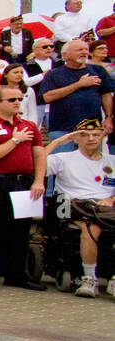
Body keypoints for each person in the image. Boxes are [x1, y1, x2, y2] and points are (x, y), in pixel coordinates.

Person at [0, 83, 46, 290]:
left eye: (20, 99)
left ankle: (16, 274)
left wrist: (38, 180)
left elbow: (39, 154)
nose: (17, 103)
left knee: (21, 231)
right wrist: (15, 139)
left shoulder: (29, 126)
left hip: (22, 182)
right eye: (12, 100)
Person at [45, 118, 115, 297]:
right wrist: (59, 142)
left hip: (104, 207)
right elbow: (35, 165)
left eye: (95, 135)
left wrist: (112, 198)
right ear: (76, 138)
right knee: (92, 227)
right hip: (70, 204)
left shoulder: (111, 161)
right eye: (85, 135)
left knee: (98, 222)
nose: (91, 138)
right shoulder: (63, 158)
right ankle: (89, 278)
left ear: (102, 137)